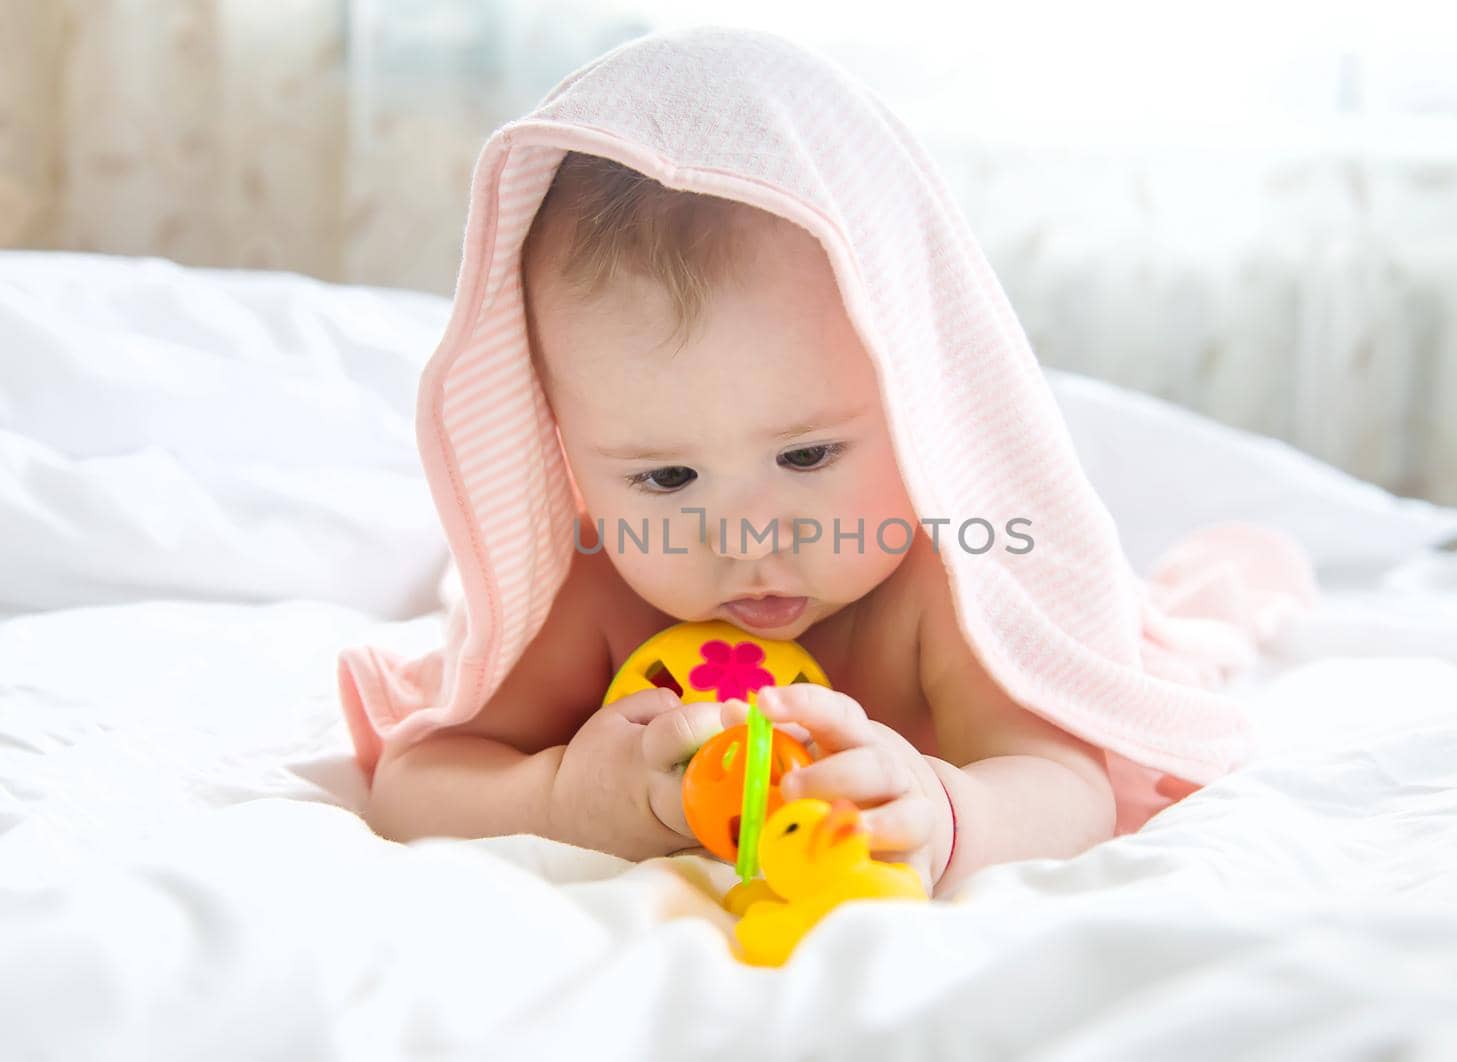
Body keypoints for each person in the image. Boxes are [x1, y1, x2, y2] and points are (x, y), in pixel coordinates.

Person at [338, 26, 1320, 899]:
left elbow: (1061, 783)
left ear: (916, 404)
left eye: (806, 454)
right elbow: (421, 780)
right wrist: (557, 799)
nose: (749, 538)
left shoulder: (942, 588)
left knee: (1192, 621)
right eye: (666, 480)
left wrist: (940, 812)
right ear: (564, 458)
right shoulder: (596, 587)